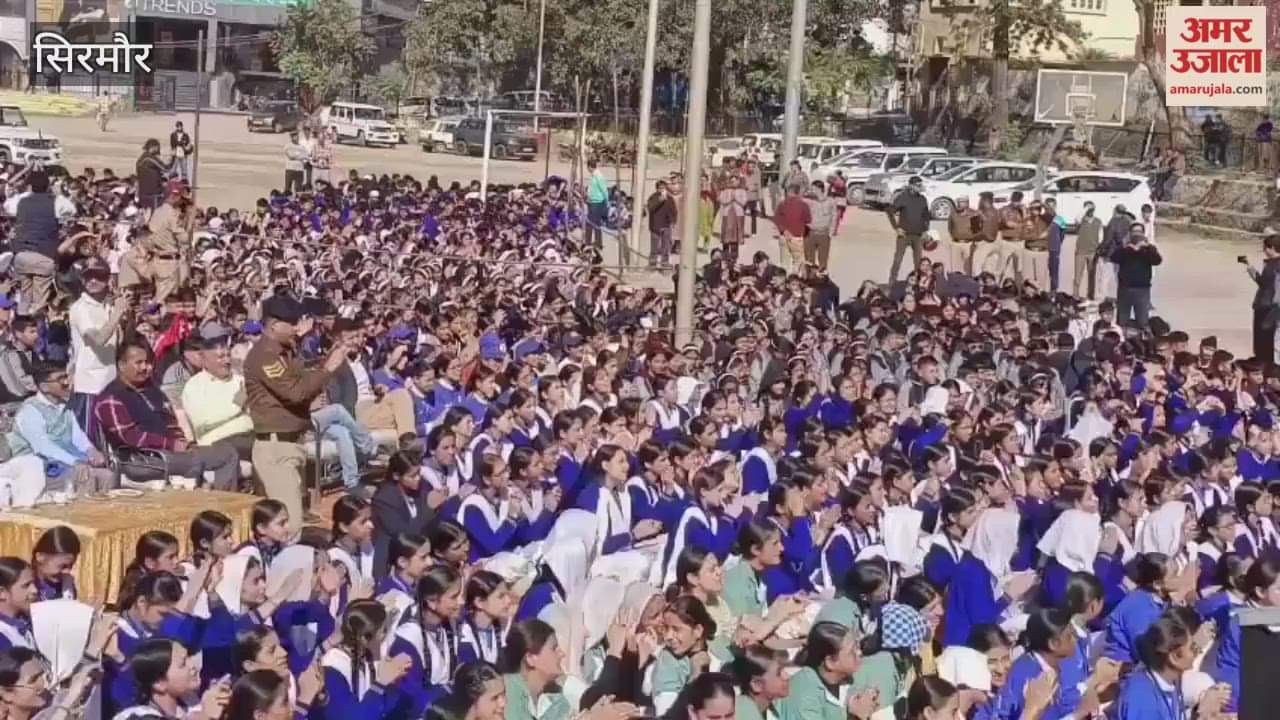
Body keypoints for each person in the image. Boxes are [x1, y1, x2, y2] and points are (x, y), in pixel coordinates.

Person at [243, 295, 350, 531]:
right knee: (288, 527)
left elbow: (303, 379)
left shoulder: (286, 352)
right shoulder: (264, 355)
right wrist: (329, 368)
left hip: (291, 444)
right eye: (291, 323)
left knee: (281, 526)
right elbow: (294, 392)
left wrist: (324, 363)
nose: (296, 327)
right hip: (276, 448)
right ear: (273, 325)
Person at [93, 339, 241, 490]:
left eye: (148, 362)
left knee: (227, 453)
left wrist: (183, 442)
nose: (146, 367)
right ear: (122, 365)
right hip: (141, 460)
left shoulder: (152, 389)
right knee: (215, 459)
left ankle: (220, 507)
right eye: (139, 363)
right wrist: (172, 445)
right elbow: (130, 437)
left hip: (169, 454)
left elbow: (170, 421)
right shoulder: (110, 397)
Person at [9, 361, 114, 499]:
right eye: (60, 379)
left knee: (109, 476)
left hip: (64, 464)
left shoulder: (63, 406)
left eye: (66, 377)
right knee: (87, 478)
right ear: (44, 387)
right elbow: (43, 447)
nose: (66, 382)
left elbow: (77, 436)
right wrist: (75, 462)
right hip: (38, 469)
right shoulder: (30, 410)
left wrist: (91, 450)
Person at [67, 257, 126, 439]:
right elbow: (98, 340)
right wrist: (117, 314)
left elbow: (119, 342)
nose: (92, 281)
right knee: (88, 438)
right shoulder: (80, 308)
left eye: (98, 276)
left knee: (109, 437)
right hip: (89, 384)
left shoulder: (109, 305)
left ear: (108, 279)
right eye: (87, 277)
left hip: (110, 380)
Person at [10, 172, 63, 315]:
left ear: (30, 186)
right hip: (44, 254)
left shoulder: (21, 201)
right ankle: (37, 331)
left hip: (22, 253)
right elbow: (70, 211)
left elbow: (9, 207)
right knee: (40, 300)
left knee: (24, 298)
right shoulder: (56, 202)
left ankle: (21, 328)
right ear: (48, 186)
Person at [1110, 223, 1163, 332]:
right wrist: (1125, 248)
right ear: (1129, 233)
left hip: (1142, 290)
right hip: (1125, 289)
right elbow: (1114, 258)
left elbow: (1157, 261)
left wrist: (1147, 247)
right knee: (1122, 321)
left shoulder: (1148, 249)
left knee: (1143, 321)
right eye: (1134, 232)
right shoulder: (1124, 248)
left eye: (1139, 232)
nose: (1137, 234)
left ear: (1143, 234)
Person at [887, 176, 930, 284]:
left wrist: (926, 230)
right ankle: (892, 282)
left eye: (921, 185)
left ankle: (918, 282)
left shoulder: (922, 199)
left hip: (918, 235)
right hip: (904, 235)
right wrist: (896, 228)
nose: (920, 187)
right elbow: (890, 211)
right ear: (911, 185)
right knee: (898, 260)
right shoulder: (903, 197)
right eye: (918, 185)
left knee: (918, 262)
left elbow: (926, 216)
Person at [1246, 231, 1280, 364]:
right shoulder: (1270, 264)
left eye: (1265, 248)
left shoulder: (1277, 266)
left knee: (1266, 341)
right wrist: (1249, 267)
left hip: (1270, 309)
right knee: (1261, 340)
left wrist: (1275, 309)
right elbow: (1263, 283)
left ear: (1271, 248)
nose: (1264, 250)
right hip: (1264, 306)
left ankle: (1267, 368)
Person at [0, 315, 39, 402]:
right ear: (19, 334)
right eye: (32, 332)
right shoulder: (10, 355)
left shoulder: (31, 352)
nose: (37, 335)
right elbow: (19, 388)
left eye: (37, 331)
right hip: (13, 405)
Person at [772, 184, 810, 272]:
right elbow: (808, 220)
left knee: (784, 262)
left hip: (784, 236)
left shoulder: (782, 204)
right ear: (798, 192)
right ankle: (794, 281)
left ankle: (784, 281)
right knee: (798, 262)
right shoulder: (803, 205)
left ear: (789, 192)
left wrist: (784, 230)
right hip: (797, 236)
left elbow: (776, 219)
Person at [804, 180, 837, 272]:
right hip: (810, 233)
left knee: (823, 259)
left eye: (813, 189)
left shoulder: (830, 202)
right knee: (809, 260)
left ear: (819, 189)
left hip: (824, 233)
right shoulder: (808, 201)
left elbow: (834, 217)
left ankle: (822, 280)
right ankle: (810, 279)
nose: (811, 191)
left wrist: (831, 232)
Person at [1073, 202, 1103, 299]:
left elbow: (1101, 236)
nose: (1090, 211)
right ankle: (1075, 295)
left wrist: (1098, 247)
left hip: (1093, 252)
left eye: (1092, 209)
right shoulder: (1081, 221)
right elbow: (1077, 218)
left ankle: (1090, 295)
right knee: (1078, 275)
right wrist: (1085, 208)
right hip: (1081, 251)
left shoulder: (1098, 221)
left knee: (1092, 275)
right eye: (1088, 209)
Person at [646, 180, 677, 268]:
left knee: (666, 247)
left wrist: (673, 221)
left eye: (663, 188)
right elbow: (650, 208)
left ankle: (665, 263)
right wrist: (660, 200)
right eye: (660, 188)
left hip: (666, 226)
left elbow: (673, 211)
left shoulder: (670, 198)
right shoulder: (653, 197)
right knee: (654, 247)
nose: (662, 190)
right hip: (655, 226)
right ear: (657, 189)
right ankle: (652, 263)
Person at [947, 196, 980, 276]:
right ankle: (955, 282)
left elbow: (977, 230)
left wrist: (975, 242)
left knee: (969, 266)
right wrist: (953, 238)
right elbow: (950, 227)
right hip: (956, 243)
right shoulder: (953, 214)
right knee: (955, 265)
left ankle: (969, 281)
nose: (959, 204)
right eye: (958, 202)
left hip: (968, 244)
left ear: (967, 203)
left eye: (961, 202)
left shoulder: (973, 214)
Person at [586, 160, 608, 250]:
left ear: (590, 167)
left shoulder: (598, 176)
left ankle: (599, 243)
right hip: (591, 201)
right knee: (589, 222)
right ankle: (587, 241)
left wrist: (607, 202)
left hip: (597, 202)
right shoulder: (592, 176)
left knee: (596, 223)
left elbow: (604, 190)